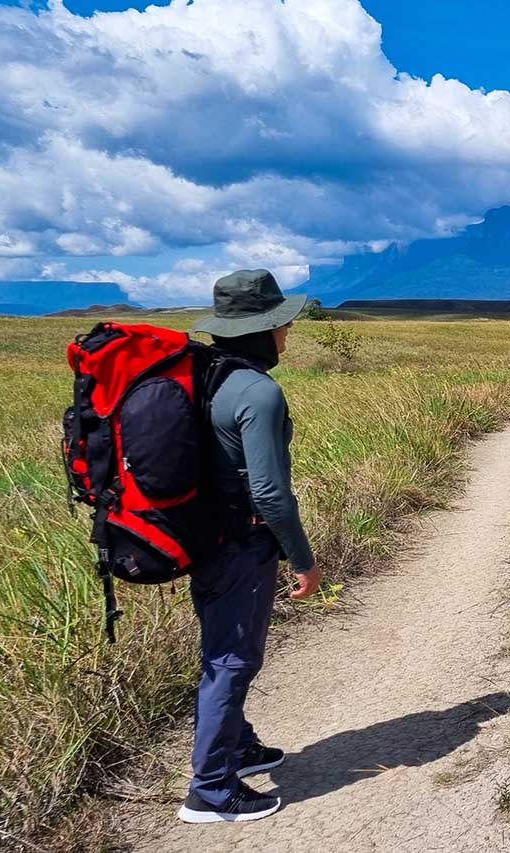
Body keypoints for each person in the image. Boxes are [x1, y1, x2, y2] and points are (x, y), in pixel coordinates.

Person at [176, 269, 320, 824]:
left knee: (222, 651)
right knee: (232, 660)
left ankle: (237, 747)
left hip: (205, 539)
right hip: (242, 545)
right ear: (262, 330)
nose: (287, 334)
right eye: (281, 324)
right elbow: (270, 492)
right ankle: (210, 790)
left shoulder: (206, 375)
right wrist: (302, 559)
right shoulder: (258, 391)